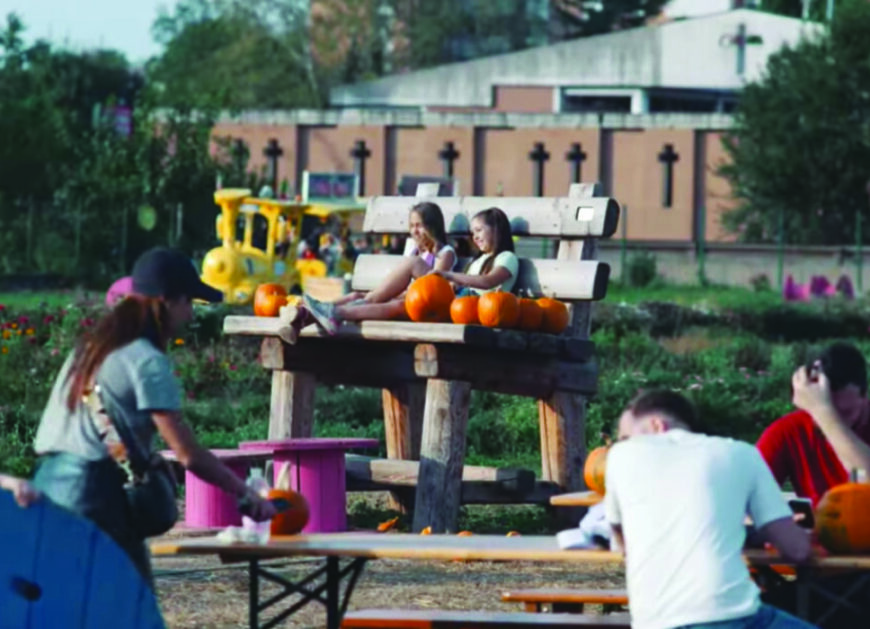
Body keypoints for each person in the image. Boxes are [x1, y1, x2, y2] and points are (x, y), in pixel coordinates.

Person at [31, 248, 276, 584]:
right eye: (188, 302)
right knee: (129, 612)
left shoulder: (89, 349)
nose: (191, 315)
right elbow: (188, 454)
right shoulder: (147, 360)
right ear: (166, 300)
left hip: (47, 490)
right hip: (96, 501)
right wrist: (245, 493)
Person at [605, 389, 814, 629]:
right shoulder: (741, 453)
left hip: (652, 621)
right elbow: (797, 550)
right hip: (729, 614)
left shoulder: (619, 456)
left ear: (657, 425)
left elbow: (621, 542)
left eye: (626, 436)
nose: (625, 443)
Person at [281, 201, 459, 339]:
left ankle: (332, 313)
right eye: (411, 226)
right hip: (407, 300)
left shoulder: (445, 253)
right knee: (355, 296)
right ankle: (305, 317)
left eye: (419, 225)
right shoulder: (413, 249)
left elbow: (434, 289)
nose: (414, 231)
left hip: (425, 309)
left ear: (433, 227)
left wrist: (397, 294)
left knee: (390, 301)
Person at [757, 342, 870, 507]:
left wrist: (825, 413)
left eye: (844, 413)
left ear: (864, 396)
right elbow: (745, 496)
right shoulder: (788, 432)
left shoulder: (822, 414)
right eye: (821, 407)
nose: (834, 419)